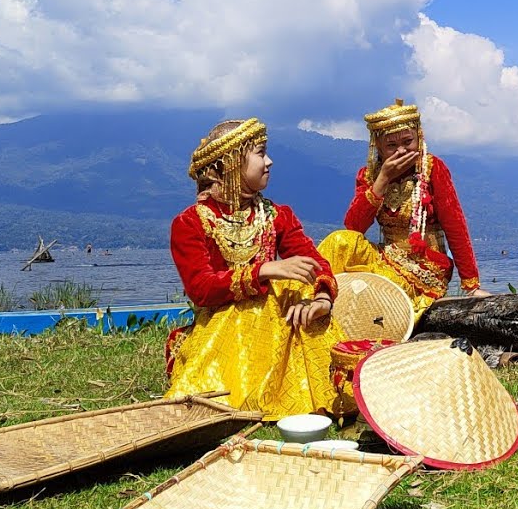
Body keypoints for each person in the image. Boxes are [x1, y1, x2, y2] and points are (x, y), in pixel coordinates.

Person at [164, 119, 344, 419]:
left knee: (296, 297)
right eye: (261, 153)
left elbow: (315, 263)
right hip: (223, 329)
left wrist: (323, 299)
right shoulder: (191, 222)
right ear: (230, 163)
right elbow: (200, 289)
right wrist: (264, 271)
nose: (269, 161)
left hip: (278, 322)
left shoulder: (277, 215)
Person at [318, 99, 488, 320]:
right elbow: (353, 227)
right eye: (391, 146)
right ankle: (316, 302)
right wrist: (382, 180)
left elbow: (455, 226)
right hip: (386, 255)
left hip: (425, 266)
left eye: (408, 142)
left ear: (419, 137)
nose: (401, 151)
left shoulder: (433, 168)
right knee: (339, 241)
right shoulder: (369, 175)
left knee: (378, 286)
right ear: (377, 147)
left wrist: (471, 285)